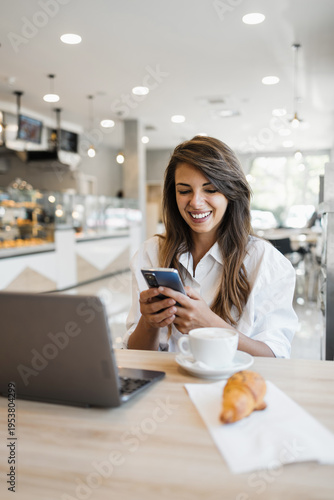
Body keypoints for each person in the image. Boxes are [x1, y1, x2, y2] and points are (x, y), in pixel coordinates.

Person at [124, 136, 298, 358]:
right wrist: (149, 323)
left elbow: (276, 358)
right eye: (184, 190)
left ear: (231, 192)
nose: (196, 202)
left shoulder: (268, 263)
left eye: (211, 189)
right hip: (166, 389)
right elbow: (136, 357)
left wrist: (211, 325)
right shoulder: (150, 253)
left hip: (233, 389)